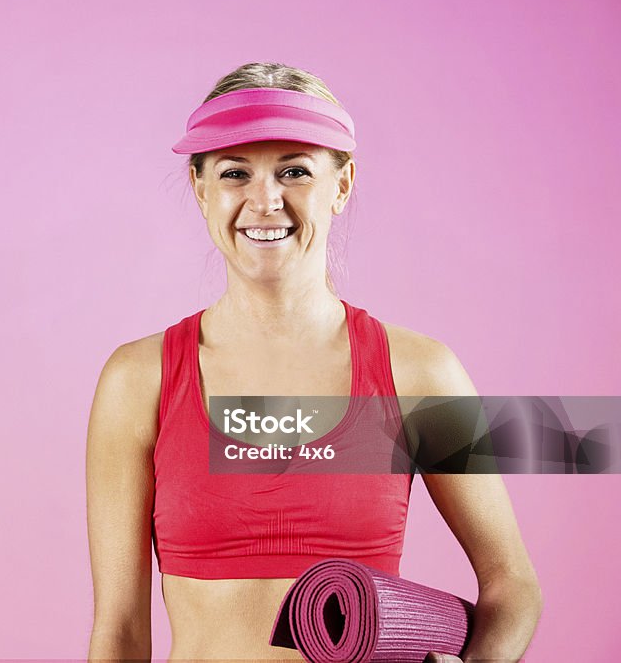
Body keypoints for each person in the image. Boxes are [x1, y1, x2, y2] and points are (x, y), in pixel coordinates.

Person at [86, 62, 543, 661]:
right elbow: (119, 630)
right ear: (201, 189)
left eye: (295, 171)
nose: (265, 199)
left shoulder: (420, 374)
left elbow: (513, 584)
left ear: (342, 185)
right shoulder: (138, 381)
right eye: (234, 173)